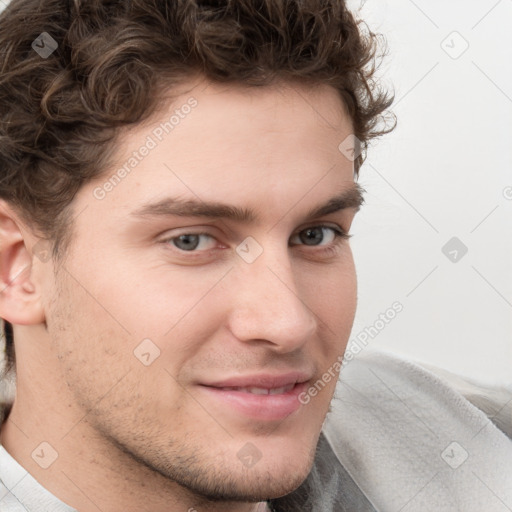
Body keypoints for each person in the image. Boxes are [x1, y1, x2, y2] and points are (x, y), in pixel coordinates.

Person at [1, 1, 511, 511]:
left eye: (315, 234)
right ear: (16, 267)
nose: (288, 323)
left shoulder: (463, 444)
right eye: (191, 241)